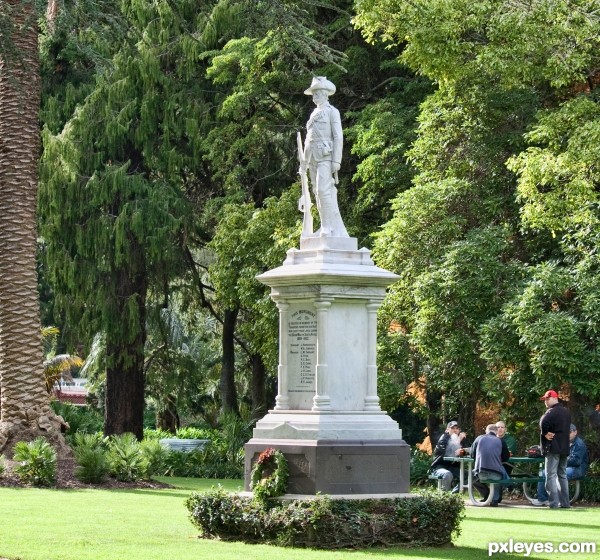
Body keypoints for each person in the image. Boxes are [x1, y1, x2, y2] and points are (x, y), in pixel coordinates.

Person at [302, 76, 348, 238]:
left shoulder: (332, 112)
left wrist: (336, 160)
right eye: (313, 94)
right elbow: (309, 138)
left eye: (317, 94)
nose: (314, 97)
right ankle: (324, 226)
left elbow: (338, 137)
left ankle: (329, 228)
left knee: (323, 191)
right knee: (316, 192)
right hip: (312, 157)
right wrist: (304, 161)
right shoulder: (314, 113)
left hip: (326, 157)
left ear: (325, 94)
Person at [532, 423, 589, 505]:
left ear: (575, 432)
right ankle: (542, 499)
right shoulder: (563, 442)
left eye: (569, 432)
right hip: (564, 467)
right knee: (545, 472)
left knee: (560, 474)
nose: (567, 434)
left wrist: (559, 461)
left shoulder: (579, 444)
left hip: (577, 469)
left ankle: (559, 501)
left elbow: (576, 461)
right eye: (566, 432)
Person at [537, 389, 571, 508]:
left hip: (553, 448)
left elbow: (542, 422)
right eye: (545, 399)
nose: (545, 401)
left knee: (550, 475)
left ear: (555, 398)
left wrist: (545, 433)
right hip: (564, 448)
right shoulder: (566, 411)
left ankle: (553, 503)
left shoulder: (551, 412)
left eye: (548, 398)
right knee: (562, 475)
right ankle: (565, 503)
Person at [471, 424, 510, 505]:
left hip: (480, 473)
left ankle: (486, 495)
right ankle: (495, 500)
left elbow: (472, 454)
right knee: (499, 475)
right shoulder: (501, 441)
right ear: (496, 432)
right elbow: (506, 458)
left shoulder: (479, 438)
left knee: (470, 476)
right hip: (495, 474)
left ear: (486, 431)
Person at [431, 420, 467, 491]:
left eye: (457, 429)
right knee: (447, 474)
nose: (455, 430)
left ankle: (490, 498)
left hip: (453, 468)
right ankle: (444, 497)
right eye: (453, 428)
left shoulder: (461, 440)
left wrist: (462, 452)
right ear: (447, 430)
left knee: (470, 475)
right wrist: (459, 440)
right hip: (439, 467)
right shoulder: (443, 439)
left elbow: (465, 452)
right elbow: (447, 453)